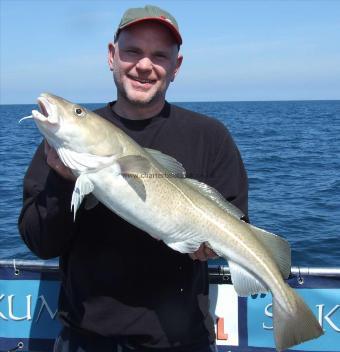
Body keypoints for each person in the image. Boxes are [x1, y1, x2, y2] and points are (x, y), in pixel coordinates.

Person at [19, 5, 248, 352]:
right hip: (85, 339)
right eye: (132, 51)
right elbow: (40, 244)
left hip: (181, 341)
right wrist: (62, 180)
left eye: (159, 55)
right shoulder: (63, 145)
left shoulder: (210, 137)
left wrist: (210, 248)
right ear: (112, 56)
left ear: (176, 66)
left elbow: (237, 222)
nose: (144, 65)